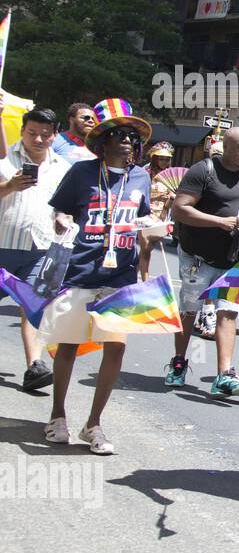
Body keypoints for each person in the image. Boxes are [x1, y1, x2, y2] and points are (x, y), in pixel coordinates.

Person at [41, 99, 156, 455]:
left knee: (115, 349)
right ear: (103, 140)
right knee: (69, 346)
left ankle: (94, 424)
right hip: (80, 270)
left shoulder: (140, 178)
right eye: (120, 136)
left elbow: (142, 224)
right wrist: (62, 220)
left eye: (133, 138)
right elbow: (61, 209)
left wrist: (148, 250)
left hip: (120, 276)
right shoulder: (82, 173)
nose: (127, 142)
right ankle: (57, 416)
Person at [164, 127, 239, 397]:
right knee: (190, 309)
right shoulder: (203, 170)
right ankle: (179, 362)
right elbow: (180, 208)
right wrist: (221, 222)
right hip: (197, 257)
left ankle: (224, 374)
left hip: (232, 258)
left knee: (228, 312)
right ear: (225, 146)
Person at [0, 107, 71, 390]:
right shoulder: (5, 159)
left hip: (42, 249)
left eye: (45, 134)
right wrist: (10, 186)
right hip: (3, 245)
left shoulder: (63, 168)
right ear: (22, 131)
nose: (38, 140)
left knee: (35, 305)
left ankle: (35, 365)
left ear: (55, 136)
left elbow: (64, 207)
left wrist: (63, 220)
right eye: (32, 133)